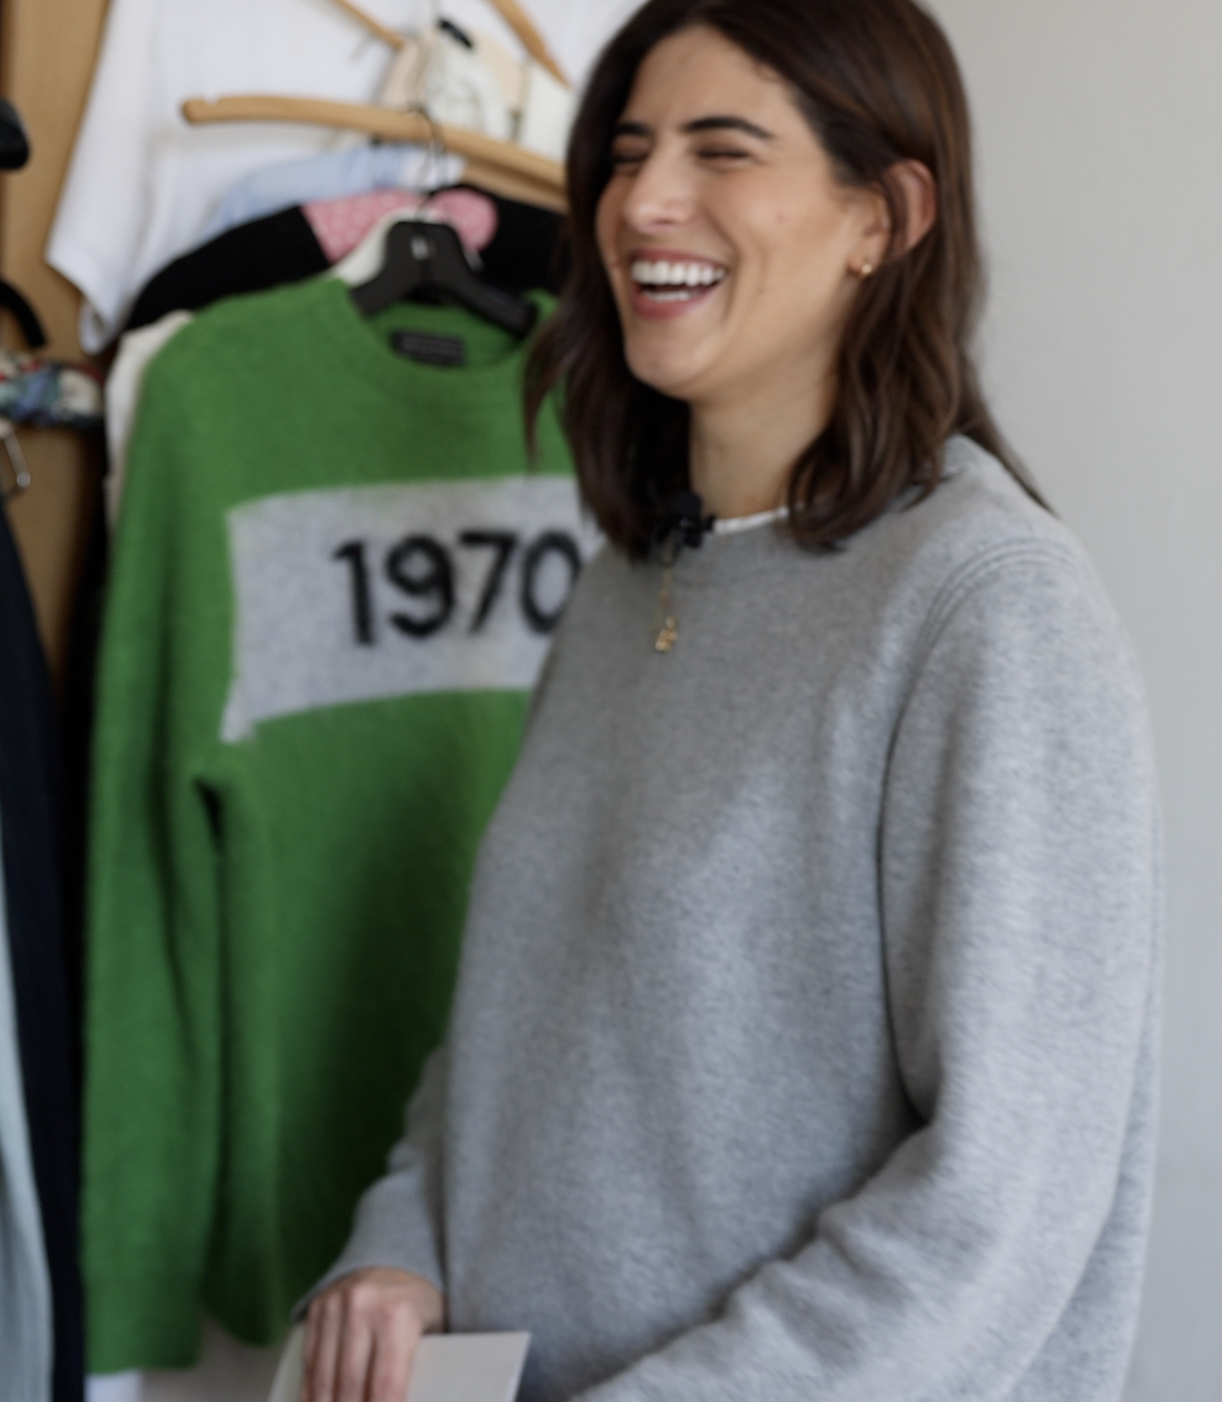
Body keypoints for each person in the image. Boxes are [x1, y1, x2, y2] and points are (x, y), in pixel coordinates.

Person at [300, 1, 1161, 1400]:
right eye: (629, 151)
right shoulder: (626, 581)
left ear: (881, 216)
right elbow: (524, 1018)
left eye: (723, 149)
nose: (646, 200)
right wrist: (401, 1242)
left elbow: (999, 1207)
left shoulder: (985, 607)